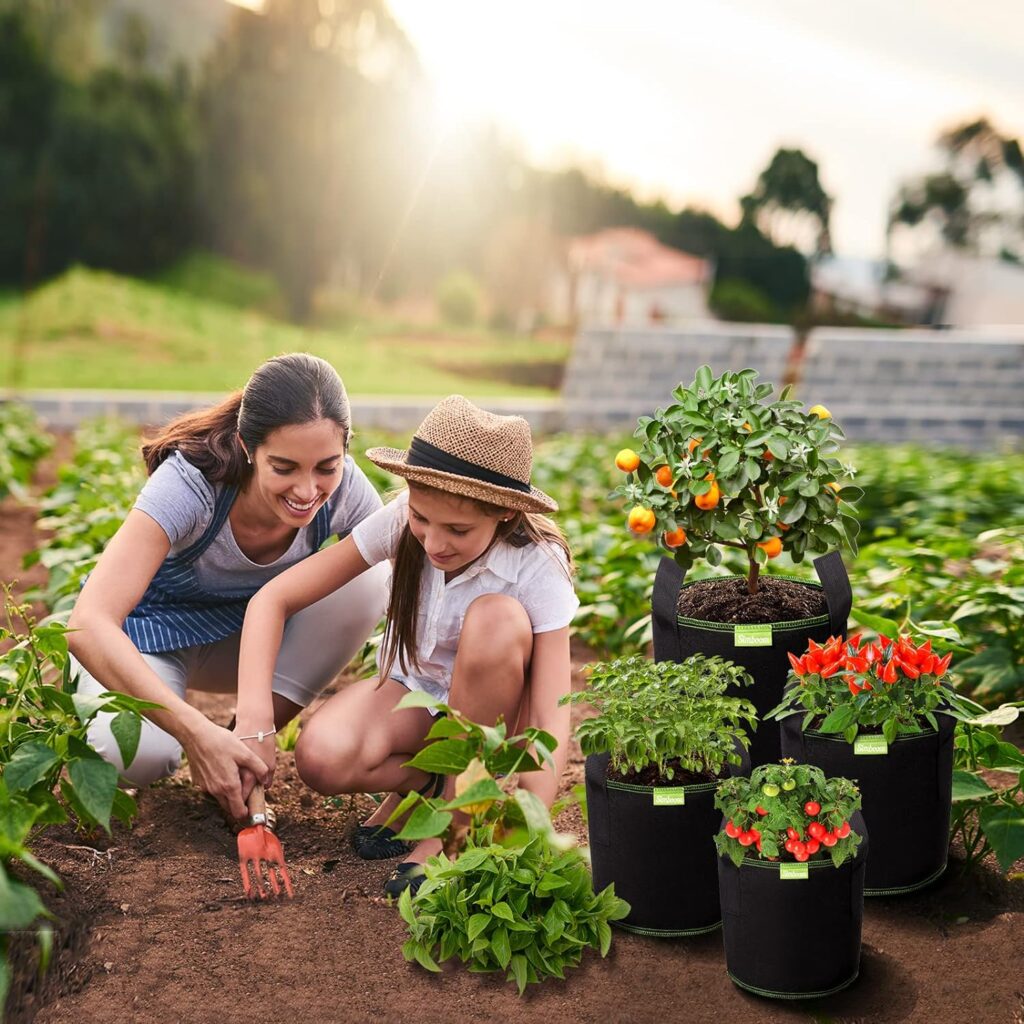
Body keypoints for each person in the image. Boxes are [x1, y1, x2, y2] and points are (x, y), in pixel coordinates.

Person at [236, 395, 578, 895]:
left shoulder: (537, 565)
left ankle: (459, 822)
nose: (434, 542)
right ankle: (427, 792)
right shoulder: (402, 520)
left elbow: (551, 718)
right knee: (322, 756)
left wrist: (532, 832)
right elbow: (274, 598)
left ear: (504, 514)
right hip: (415, 697)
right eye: (421, 519)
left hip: (493, 727)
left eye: (458, 529)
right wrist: (253, 720)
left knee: (495, 617)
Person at [67, 353, 390, 820]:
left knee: (373, 574)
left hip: (247, 645)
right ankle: (188, 737)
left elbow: (413, 584)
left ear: (345, 449)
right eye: (284, 468)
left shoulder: (345, 490)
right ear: (247, 446)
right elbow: (88, 622)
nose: (307, 490)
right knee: (137, 755)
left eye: (326, 466)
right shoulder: (191, 485)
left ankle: (243, 755)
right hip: (151, 642)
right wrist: (197, 733)